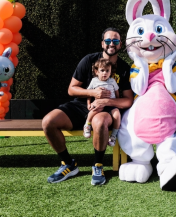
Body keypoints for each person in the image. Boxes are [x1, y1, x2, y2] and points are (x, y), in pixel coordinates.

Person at [42, 27, 133, 185]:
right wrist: (93, 93)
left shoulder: (124, 68)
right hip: (80, 106)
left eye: (116, 41)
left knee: (99, 122)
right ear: (102, 43)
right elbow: (72, 89)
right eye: (108, 41)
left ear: (120, 45)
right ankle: (68, 164)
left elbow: (127, 100)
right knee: (48, 122)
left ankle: (97, 165)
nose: (112, 44)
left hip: (105, 110)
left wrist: (106, 101)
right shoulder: (89, 60)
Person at [84, 58, 121, 148]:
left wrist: (117, 102)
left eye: (107, 70)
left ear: (111, 71)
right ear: (96, 71)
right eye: (102, 70)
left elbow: (117, 92)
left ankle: (113, 136)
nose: (105, 73)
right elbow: (89, 93)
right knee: (93, 111)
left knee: (117, 115)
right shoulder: (94, 81)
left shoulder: (112, 81)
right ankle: (87, 125)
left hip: (111, 104)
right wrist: (89, 104)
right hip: (98, 103)